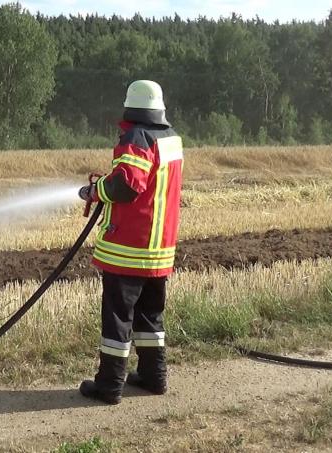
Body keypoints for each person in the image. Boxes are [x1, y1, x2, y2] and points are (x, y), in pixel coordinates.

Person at [77, 80, 184, 404]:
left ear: (130, 107)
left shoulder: (136, 138)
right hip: (158, 250)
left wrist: (95, 192)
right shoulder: (170, 139)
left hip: (129, 249)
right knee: (150, 317)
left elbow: (126, 185)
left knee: (118, 318)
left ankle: (109, 385)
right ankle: (154, 377)